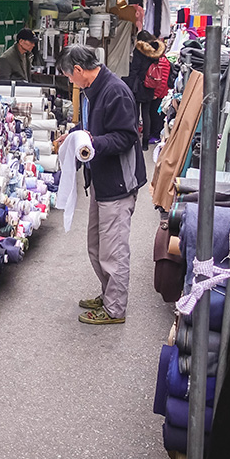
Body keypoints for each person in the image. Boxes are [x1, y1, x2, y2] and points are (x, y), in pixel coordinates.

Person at [57, 44, 146, 325]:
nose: (70, 81)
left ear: (80, 70)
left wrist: (91, 143)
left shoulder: (114, 91)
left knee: (113, 249)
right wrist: (72, 137)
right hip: (102, 180)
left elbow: (125, 136)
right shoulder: (91, 91)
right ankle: (108, 294)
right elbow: (89, 128)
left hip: (118, 182)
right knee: (97, 246)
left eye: (69, 76)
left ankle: (115, 309)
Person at [126, 30, 165, 150]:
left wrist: (130, 85)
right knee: (146, 113)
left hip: (138, 85)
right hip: (150, 85)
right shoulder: (155, 50)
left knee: (136, 113)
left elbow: (135, 69)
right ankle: (145, 143)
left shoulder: (139, 50)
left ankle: (136, 140)